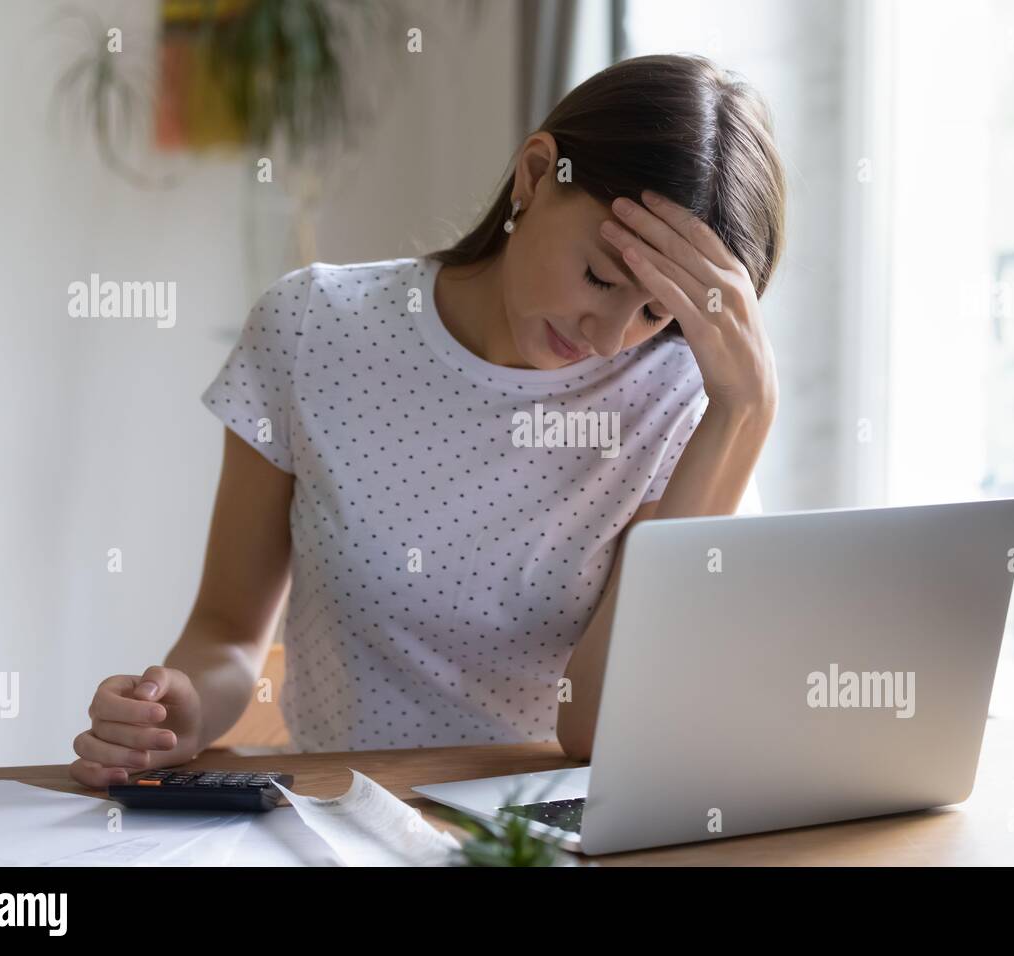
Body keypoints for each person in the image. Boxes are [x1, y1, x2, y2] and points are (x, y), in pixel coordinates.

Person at [69, 53, 786, 787]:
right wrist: (179, 712)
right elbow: (225, 631)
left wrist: (745, 411)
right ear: (536, 177)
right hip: (341, 823)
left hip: (544, 838)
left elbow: (599, 728)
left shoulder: (679, 399)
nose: (607, 336)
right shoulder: (313, 327)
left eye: (655, 313)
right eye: (601, 277)